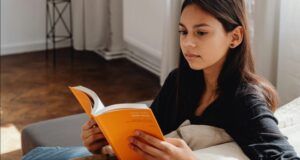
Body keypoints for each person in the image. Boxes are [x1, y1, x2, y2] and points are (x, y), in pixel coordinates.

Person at [23, 0, 299, 160]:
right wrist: (103, 141)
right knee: (40, 155)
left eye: (201, 33)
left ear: (234, 37)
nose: (188, 43)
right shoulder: (181, 80)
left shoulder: (245, 101)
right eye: (183, 31)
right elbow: (150, 133)